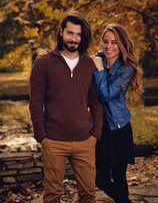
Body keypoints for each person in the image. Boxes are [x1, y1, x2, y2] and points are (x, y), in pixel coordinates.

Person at [29, 11, 103, 203]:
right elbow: (36, 102)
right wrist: (42, 136)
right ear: (61, 31)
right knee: (52, 195)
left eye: (79, 35)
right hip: (53, 141)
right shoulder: (43, 63)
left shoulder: (91, 63)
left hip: (85, 141)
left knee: (88, 195)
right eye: (70, 33)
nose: (74, 39)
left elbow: (96, 103)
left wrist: (95, 134)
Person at [90, 23, 143, 203]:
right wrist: (48, 54)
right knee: (100, 178)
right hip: (100, 128)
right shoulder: (98, 58)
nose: (108, 46)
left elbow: (106, 96)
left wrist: (99, 70)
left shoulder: (125, 69)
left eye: (114, 42)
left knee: (119, 177)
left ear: (121, 45)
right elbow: (73, 57)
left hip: (119, 129)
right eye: (105, 41)